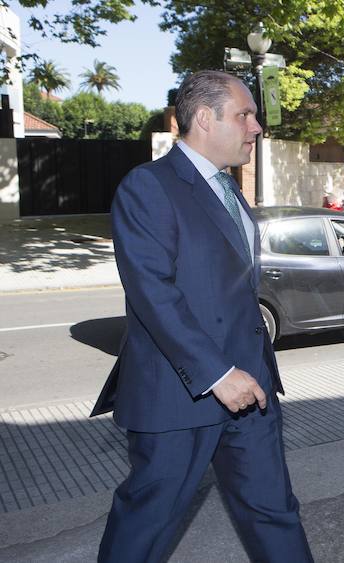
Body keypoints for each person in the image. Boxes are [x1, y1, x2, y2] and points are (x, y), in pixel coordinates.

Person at [92, 70, 314, 562]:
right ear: (205, 118)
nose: (256, 127)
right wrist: (216, 373)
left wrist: (244, 371)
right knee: (148, 520)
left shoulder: (229, 189)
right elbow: (153, 293)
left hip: (250, 391)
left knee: (274, 510)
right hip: (180, 393)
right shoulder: (148, 186)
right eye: (245, 115)